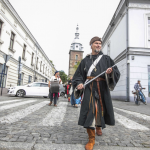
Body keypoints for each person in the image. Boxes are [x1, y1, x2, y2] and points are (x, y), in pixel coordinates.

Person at [72, 37, 120, 150]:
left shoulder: (107, 59)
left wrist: (110, 72)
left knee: (101, 109)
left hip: (102, 88)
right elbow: (78, 75)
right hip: (89, 87)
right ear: (91, 45)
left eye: (99, 43)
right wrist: (79, 83)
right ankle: (91, 139)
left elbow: (116, 71)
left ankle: (99, 126)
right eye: (96, 43)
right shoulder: (85, 60)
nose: (98, 45)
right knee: (90, 110)